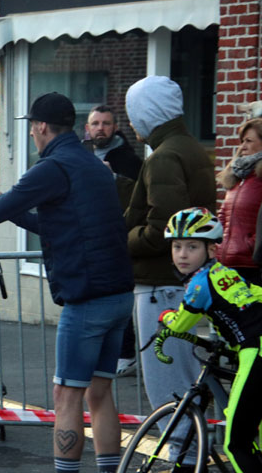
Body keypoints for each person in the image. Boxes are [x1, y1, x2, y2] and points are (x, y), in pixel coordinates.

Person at [0, 92, 134, 473]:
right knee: (99, 393)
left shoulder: (52, 167)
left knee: (66, 395)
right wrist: (13, 206)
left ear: (39, 127)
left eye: (32, 128)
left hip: (87, 298)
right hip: (118, 293)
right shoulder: (92, 163)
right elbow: (55, 225)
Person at [124, 76, 217, 473]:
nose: (132, 124)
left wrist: (124, 239)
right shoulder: (189, 149)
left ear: (146, 113)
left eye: (134, 114)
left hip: (161, 285)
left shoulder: (162, 156)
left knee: (168, 384)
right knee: (193, 376)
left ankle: (183, 459)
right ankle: (199, 454)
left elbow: (166, 225)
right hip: (181, 282)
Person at [160, 207, 262, 473]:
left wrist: (166, 316)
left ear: (212, 250)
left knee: (236, 443)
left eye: (192, 247)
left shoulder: (199, 284)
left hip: (256, 350)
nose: (182, 254)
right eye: (177, 246)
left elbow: (181, 322)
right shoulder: (227, 274)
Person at [84, 105, 143, 377]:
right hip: (92, 234)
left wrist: (112, 178)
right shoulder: (82, 155)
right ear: (87, 128)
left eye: (106, 123)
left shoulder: (128, 159)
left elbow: (137, 200)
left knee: (119, 295)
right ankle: (107, 353)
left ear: (115, 127)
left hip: (120, 235)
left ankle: (126, 353)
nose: (100, 128)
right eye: (95, 123)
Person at [216, 118, 262, 285]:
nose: (243, 147)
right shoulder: (240, 176)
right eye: (242, 141)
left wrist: (250, 245)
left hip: (252, 267)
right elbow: (223, 215)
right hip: (227, 264)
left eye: (249, 141)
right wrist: (218, 244)